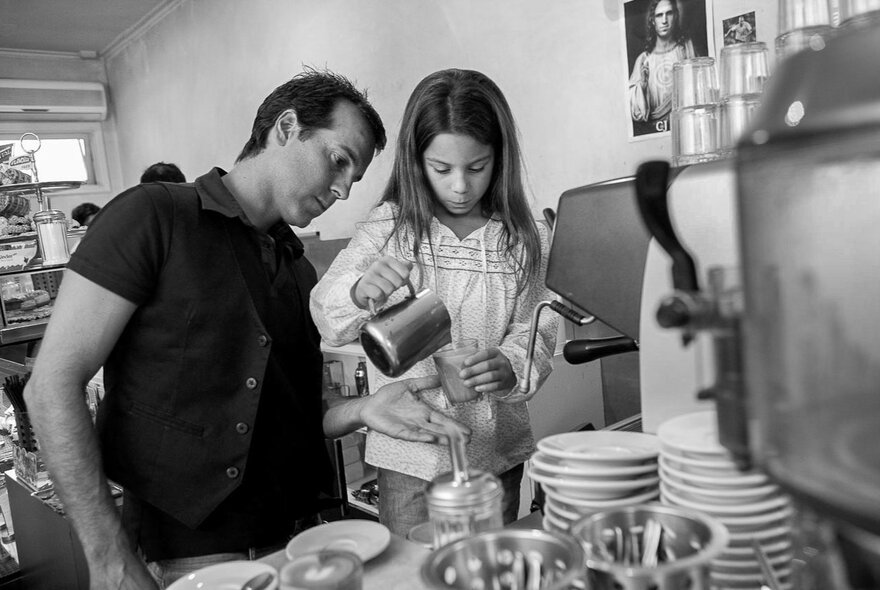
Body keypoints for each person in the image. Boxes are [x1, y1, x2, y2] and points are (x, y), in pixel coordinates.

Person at [24, 68, 468, 589]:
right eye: (339, 160)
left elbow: (299, 410)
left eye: (354, 176)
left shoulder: (298, 267)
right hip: (196, 552)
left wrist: (364, 410)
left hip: (305, 540)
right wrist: (109, 558)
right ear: (285, 127)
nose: (344, 190)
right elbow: (51, 385)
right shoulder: (155, 216)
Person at [310, 69, 559, 537]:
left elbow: (537, 332)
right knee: (413, 577)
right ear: (416, 161)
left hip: (493, 454)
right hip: (409, 457)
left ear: (500, 159)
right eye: (442, 169)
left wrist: (511, 367)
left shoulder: (525, 240)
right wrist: (360, 290)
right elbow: (327, 314)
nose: (461, 186)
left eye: (477, 166)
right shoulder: (389, 227)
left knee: (485, 572)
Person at [628, 0, 696, 131]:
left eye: (669, 13)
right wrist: (641, 86)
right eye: (659, 15)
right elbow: (635, 111)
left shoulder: (686, 49)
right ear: (653, 20)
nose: (664, 20)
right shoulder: (643, 60)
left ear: (676, 16)